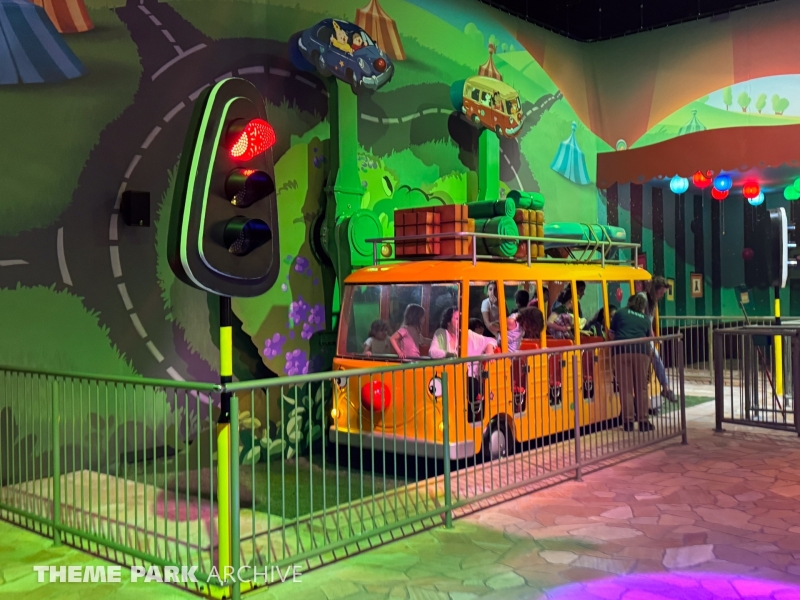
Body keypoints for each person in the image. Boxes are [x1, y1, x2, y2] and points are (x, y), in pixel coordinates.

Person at [430, 307, 496, 423]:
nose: (460, 321)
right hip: (447, 377)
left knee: (471, 383)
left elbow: (490, 340)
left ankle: (470, 419)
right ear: (448, 321)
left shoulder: (467, 333)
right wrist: (452, 355)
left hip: (465, 376)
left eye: (461, 319)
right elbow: (432, 352)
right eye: (456, 319)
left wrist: (490, 348)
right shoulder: (441, 333)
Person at [608, 294, 654, 432]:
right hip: (641, 351)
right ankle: (643, 422)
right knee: (641, 388)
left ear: (629, 302)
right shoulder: (645, 319)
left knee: (625, 388)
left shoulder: (620, 313)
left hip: (621, 351)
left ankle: (628, 423)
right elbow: (650, 337)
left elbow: (611, 333)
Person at [638, 276, 675, 403]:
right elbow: (641, 320)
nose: (661, 296)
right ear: (655, 289)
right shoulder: (643, 298)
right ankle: (665, 387)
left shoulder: (653, 302)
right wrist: (651, 338)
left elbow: (648, 323)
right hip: (639, 336)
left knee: (655, 358)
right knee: (655, 357)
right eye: (661, 292)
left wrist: (654, 337)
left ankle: (665, 387)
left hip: (645, 336)